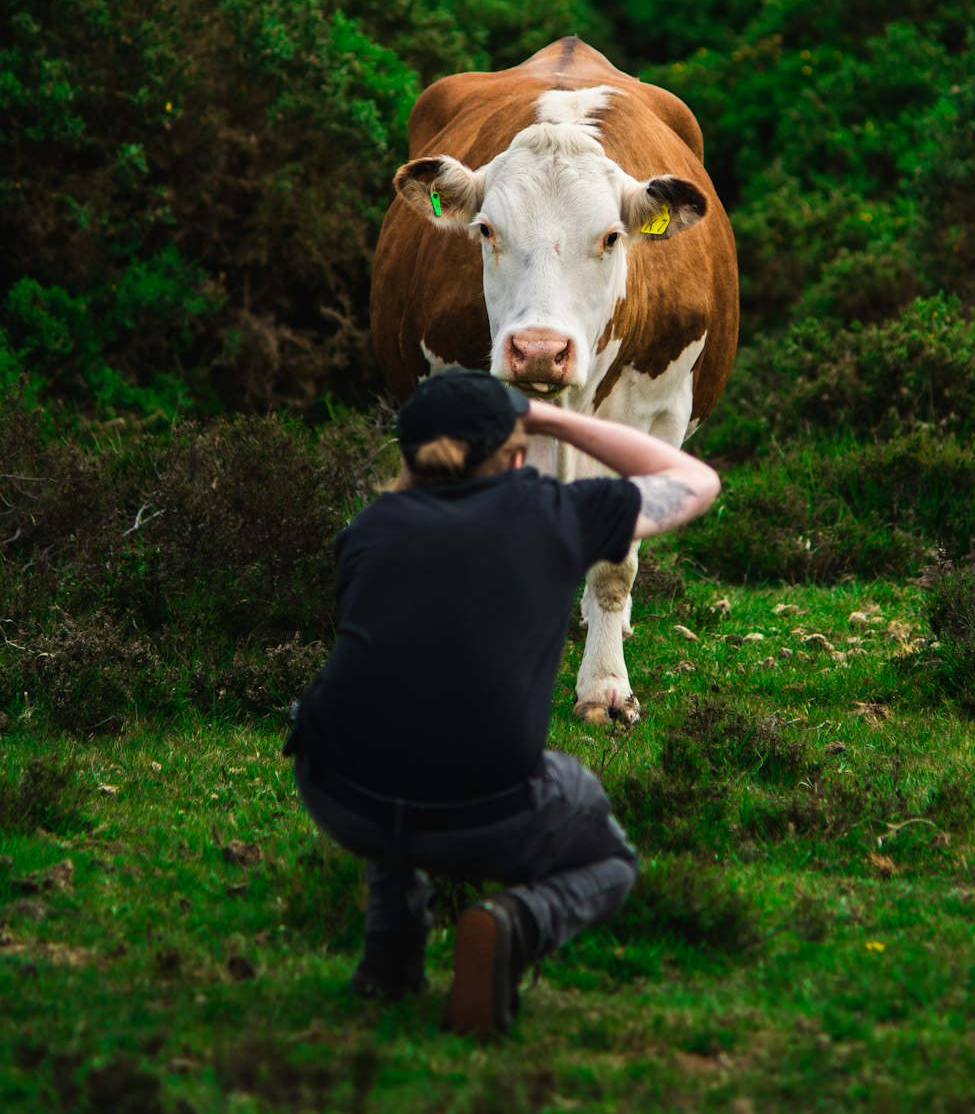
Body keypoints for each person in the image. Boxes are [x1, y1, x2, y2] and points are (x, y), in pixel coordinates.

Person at [285, 368, 719, 1036]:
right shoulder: (553, 513)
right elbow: (695, 482)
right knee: (609, 858)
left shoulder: (368, 528)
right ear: (517, 454)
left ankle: (389, 955)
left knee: (395, 708)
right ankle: (514, 923)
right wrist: (554, 418)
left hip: (336, 788)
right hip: (481, 807)